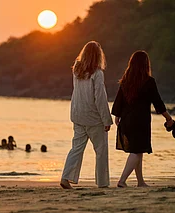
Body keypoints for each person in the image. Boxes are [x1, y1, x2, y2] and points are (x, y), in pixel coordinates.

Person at [111, 50, 175, 188]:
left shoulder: (126, 81)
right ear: (146, 65)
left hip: (127, 120)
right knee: (137, 151)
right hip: (140, 121)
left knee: (137, 150)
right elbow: (158, 103)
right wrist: (169, 119)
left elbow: (119, 100)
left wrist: (117, 116)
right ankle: (122, 181)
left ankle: (140, 182)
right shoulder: (148, 81)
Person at [60, 41, 113, 189]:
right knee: (101, 151)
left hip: (78, 114)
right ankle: (103, 183)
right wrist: (106, 119)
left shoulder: (76, 70)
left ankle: (66, 177)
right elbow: (100, 97)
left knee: (76, 148)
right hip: (94, 118)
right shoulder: (97, 74)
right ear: (98, 56)